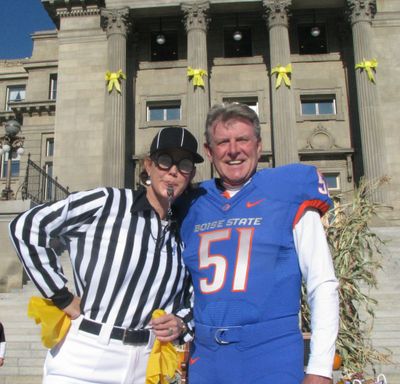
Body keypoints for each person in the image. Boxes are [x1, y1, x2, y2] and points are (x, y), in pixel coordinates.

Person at [9, 127, 203, 384]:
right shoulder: (107, 202)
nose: (173, 170)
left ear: (191, 175)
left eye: (184, 164)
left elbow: (196, 290)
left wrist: (182, 322)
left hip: (148, 362)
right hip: (86, 356)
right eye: (165, 160)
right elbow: (27, 226)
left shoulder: (185, 230)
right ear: (148, 165)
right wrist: (61, 296)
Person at [177, 103, 339, 384]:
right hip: (206, 360)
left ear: (259, 145)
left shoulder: (288, 189)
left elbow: (322, 283)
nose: (233, 150)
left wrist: (320, 369)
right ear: (208, 151)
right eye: (222, 142)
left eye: (242, 139)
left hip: (271, 355)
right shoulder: (191, 203)